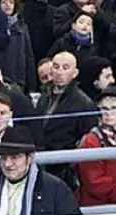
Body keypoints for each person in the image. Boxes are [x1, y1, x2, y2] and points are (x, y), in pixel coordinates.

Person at [0, 125, 81, 215]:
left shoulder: (54, 188)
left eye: (14, 157)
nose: (7, 164)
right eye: (3, 158)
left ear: (30, 158)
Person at [34, 51, 97, 189]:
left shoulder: (84, 103)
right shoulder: (44, 97)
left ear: (74, 73)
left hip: (65, 170)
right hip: (41, 164)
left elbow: (88, 139)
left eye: (65, 67)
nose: (59, 72)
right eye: (56, 67)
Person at [75, 86, 116, 206]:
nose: (108, 113)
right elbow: (95, 183)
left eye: (114, 108)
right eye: (104, 109)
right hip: (98, 206)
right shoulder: (91, 141)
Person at [0, 0, 37, 93]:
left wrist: (32, 85)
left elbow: (28, 56)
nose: (8, 5)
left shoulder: (22, 27)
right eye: (4, 2)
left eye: (11, 2)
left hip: (18, 81)